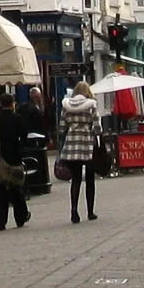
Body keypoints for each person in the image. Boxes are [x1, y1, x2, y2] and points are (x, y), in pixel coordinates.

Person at [0, 94, 32, 231]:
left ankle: (1, 222)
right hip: (14, 156)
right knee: (16, 187)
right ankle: (20, 217)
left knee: (0, 189)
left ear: (0, 103)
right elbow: (24, 136)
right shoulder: (17, 118)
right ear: (12, 103)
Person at [57, 81, 102, 222]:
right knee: (89, 179)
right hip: (87, 144)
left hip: (71, 144)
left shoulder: (66, 106)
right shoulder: (92, 105)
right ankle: (90, 211)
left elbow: (61, 127)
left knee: (75, 179)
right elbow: (97, 128)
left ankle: (74, 211)